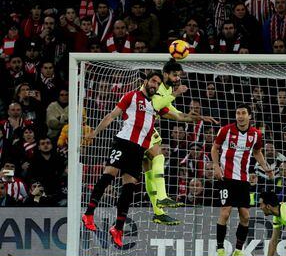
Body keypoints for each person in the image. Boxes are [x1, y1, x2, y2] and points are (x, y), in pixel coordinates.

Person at [82, 71, 207, 246]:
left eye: (157, 83)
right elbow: (111, 116)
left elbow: (181, 116)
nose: (154, 85)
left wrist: (200, 118)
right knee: (109, 174)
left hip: (139, 150)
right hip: (124, 142)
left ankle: (117, 229)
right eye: (153, 81)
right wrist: (95, 133)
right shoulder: (132, 96)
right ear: (146, 81)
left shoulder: (155, 105)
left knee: (129, 187)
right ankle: (88, 213)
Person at [144, 59, 218, 225]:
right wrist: (176, 94)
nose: (178, 78)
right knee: (157, 159)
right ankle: (161, 198)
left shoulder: (168, 89)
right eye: (175, 75)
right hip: (137, 128)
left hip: (145, 129)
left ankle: (158, 212)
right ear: (165, 74)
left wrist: (199, 117)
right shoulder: (157, 86)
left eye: (179, 75)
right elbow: (155, 104)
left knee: (148, 170)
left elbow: (176, 114)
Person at [212, 104, 274, 256]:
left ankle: (238, 252)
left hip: (243, 180)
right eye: (238, 113)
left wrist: (266, 168)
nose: (240, 116)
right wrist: (216, 166)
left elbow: (257, 152)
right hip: (226, 178)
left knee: (245, 216)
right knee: (225, 212)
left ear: (249, 116)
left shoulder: (256, 134)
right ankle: (220, 250)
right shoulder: (225, 130)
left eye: (243, 113)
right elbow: (215, 148)